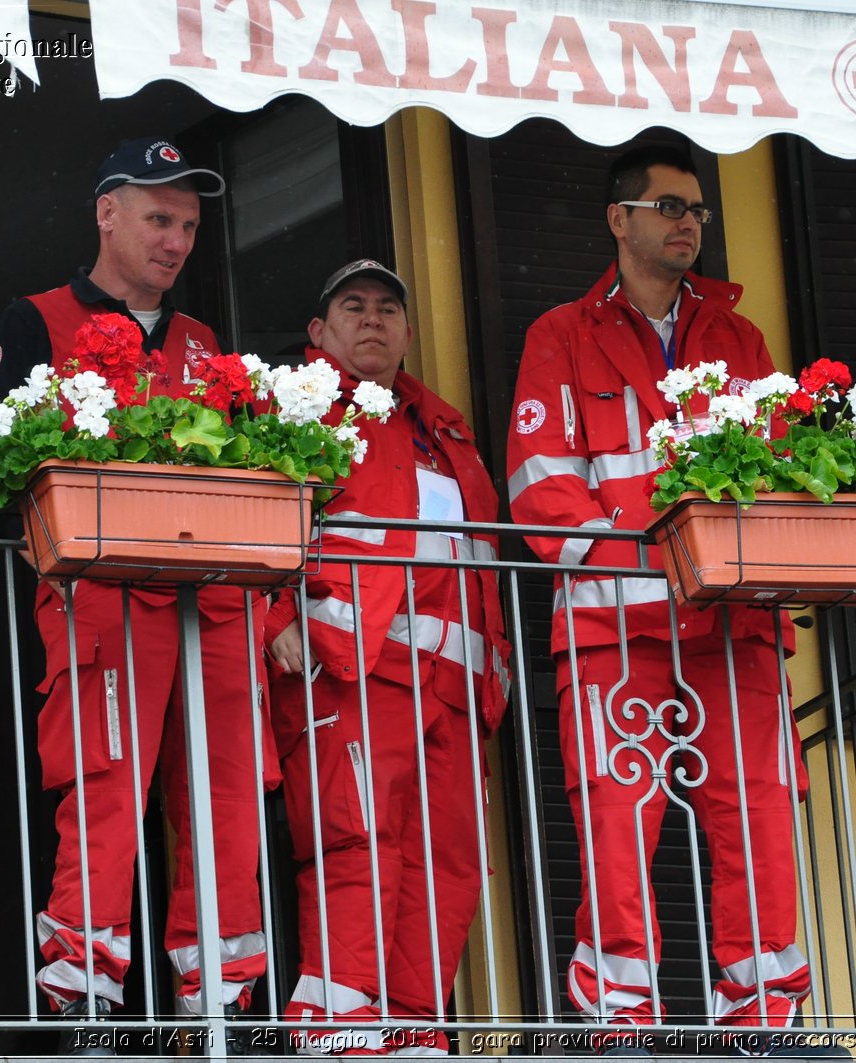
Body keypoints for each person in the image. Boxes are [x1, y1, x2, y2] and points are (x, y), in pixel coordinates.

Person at [505, 145, 846, 1058]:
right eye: (666, 206)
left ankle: (766, 1020)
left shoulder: (742, 343)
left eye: (696, 209)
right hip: (615, 628)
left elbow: (781, 481)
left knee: (761, 817)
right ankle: (620, 1019)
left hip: (736, 626)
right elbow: (541, 490)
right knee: (617, 823)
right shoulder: (560, 334)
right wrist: (665, 563)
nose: (688, 221)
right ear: (619, 221)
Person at [0, 137, 272, 1050]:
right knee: (103, 791)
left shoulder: (205, 343)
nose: (177, 239)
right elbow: (3, 463)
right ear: (108, 214)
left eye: (188, 224)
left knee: (227, 797)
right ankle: (84, 999)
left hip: (214, 599)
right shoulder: (36, 318)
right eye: (159, 217)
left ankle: (217, 1005)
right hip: (103, 593)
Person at [265, 259, 511, 1056]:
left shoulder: (445, 428)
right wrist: (273, 615)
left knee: (448, 861)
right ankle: (337, 1028)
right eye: (352, 305)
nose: (372, 319)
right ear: (319, 331)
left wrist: (494, 674)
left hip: (450, 684)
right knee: (358, 843)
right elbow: (248, 515)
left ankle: (411, 1027)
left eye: (387, 308)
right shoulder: (294, 411)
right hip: (351, 666)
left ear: (408, 331)